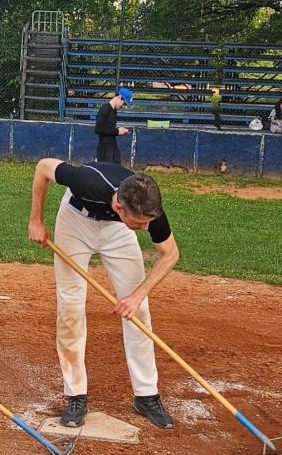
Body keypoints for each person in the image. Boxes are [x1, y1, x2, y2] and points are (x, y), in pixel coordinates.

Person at [28, 159, 180, 430]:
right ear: (121, 208)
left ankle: (147, 395)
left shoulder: (147, 209)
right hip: (76, 222)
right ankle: (76, 395)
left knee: (139, 311)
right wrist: (36, 220)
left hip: (117, 231)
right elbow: (43, 168)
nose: (147, 229)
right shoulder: (87, 181)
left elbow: (170, 255)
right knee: (70, 308)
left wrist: (136, 296)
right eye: (142, 224)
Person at [95, 87, 132, 164]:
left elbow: (109, 128)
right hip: (105, 149)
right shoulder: (104, 109)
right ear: (119, 97)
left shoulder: (114, 111)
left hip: (112, 146)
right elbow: (98, 129)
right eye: (124, 103)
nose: (123, 106)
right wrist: (117, 131)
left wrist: (119, 130)